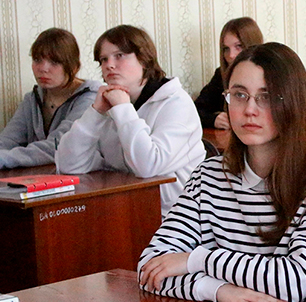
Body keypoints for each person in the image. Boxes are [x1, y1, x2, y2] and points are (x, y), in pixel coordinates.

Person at [138, 42, 306, 302]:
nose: (250, 109)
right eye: (239, 95)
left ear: (294, 103)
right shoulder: (208, 176)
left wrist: (198, 260)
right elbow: (150, 268)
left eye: (267, 96)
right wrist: (216, 289)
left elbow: (295, 282)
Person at [55, 25, 204, 216]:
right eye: (103, 59)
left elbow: (148, 166)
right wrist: (95, 112)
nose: (109, 65)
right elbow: (69, 166)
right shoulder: (109, 103)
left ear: (144, 59)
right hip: (124, 210)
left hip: (177, 216)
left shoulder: (176, 102)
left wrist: (122, 109)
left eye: (119, 56)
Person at [0, 28, 98, 172]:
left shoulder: (91, 97)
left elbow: (57, 147)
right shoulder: (32, 98)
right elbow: (8, 139)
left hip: (87, 179)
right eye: (37, 60)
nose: (43, 68)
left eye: (54, 62)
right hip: (43, 176)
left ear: (73, 66)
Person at [194, 17, 263, 129]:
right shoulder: (221, 76)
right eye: (226, 49)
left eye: (238, 46)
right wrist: (213, 119)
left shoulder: (272, 74)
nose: (231, 55)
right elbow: (194, 110)